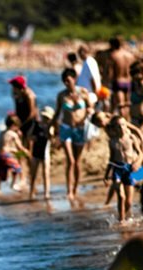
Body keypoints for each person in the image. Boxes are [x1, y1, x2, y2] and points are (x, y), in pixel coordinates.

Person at [52, 68, 92, 200]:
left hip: (80, 129)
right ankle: (69, 190)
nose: (67, 83)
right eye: (65, 81)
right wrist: (50, 126)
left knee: (78, 161)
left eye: (69, 80)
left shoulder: (83, 92)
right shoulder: (61, 95)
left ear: (74, 79)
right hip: (66, 128)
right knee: (71, 160)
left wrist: (88, 114)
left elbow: (91, 108)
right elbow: (57, 112)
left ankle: (76, 188)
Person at [103, 115, 143, 222]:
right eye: (118, 126)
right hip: (117, 168)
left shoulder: (131, 138)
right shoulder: (112, 141)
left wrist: (137, 163)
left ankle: (123, 216)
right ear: (114, 128)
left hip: (129, 168)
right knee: (121, 196)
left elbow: (141, 154)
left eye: (123, 125)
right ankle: (121, 221)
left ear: (126, 125)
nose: (121, 128)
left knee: (129, 201)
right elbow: (111, 158)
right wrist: (106, 174)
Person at [0, 114, 28, 193]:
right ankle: (13, 184)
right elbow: (20, 147)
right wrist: (26, 152)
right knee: (17, 168)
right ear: (13, 125)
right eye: (17, 127)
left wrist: (13, 150)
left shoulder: (1, 132)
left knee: (0, 172)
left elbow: (4, 146)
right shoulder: (13, 134)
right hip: (5, 156)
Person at [28, 107, 55, 201]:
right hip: (36, 152)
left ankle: (46, 192)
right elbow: (29, 136)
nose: (45, 119)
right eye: (44, 117)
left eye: (47, 118)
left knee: (46, 173)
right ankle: (31, 191)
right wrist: (32, 137)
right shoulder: (36, 125)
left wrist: (50, 131)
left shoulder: (50, 127)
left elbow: (52, 138)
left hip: (45, 152)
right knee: (33, 173)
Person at [9, 75, 38, 152]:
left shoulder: (29, 95)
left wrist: (21, 125)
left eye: (14, 87)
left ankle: (30, 161)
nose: (12, 89)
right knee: (20, 144)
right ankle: (22, 162)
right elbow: (17, 110)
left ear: (19, 87)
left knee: (29, 144)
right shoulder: (16, 95)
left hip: (30, 122)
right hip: (22, 121)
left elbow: (32, 114)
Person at [109, 37, 135, 118]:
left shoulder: (114, 55)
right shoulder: (130, 55)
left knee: (121, 105)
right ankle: (128, 122)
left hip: (118, 81)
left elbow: (110, 73)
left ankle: (124, 123)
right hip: (129, 81)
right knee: (127, 104)